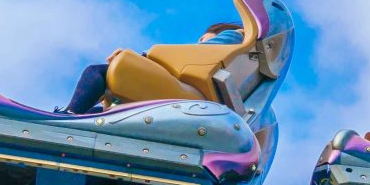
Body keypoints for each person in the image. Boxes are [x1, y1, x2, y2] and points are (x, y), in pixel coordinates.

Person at [64, 23, 244, 112]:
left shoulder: (231, 39)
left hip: (184, 98)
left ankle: (66, 117)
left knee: (98, 72)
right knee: (97, 111)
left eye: (203, 38)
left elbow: (190, 56)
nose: (198, 42)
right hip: (187, 99)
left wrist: (143, 57)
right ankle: (70, 116)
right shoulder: (243, 73)